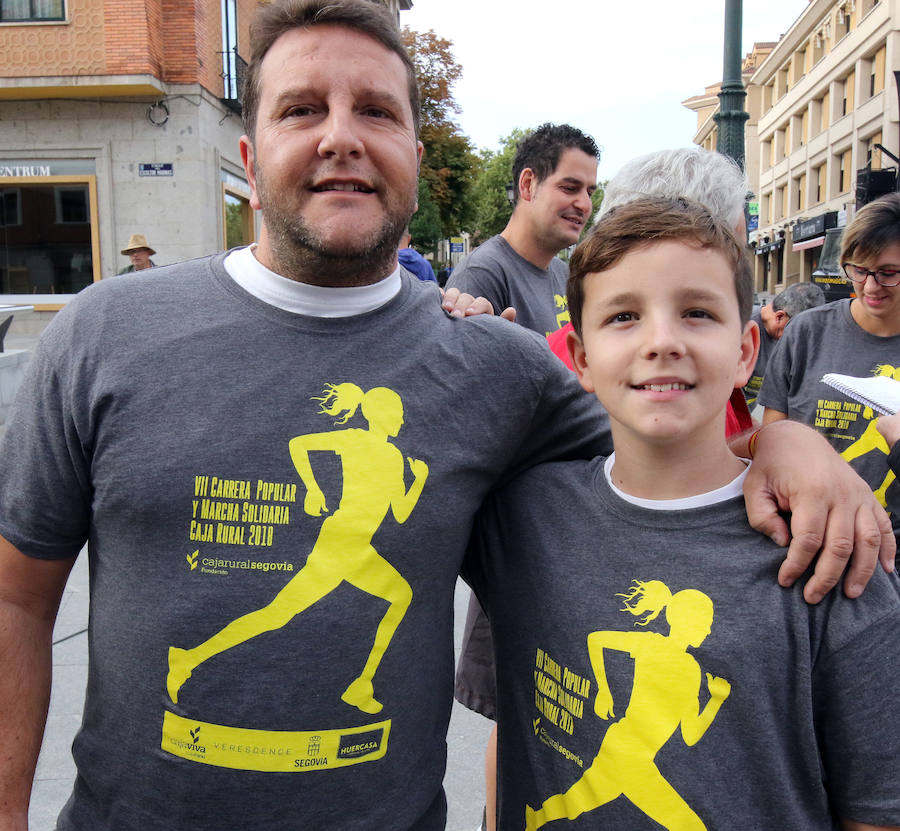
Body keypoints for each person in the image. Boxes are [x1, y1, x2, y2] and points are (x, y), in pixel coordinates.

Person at [0, 3, 892, 829]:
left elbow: (667, 443)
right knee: (278, 614)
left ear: (417, 162)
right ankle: (198, 664)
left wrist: (785, 437)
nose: (341, 136)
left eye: (377, 112)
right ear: (249, 155)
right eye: (301, 110)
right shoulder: (105, 333)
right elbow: (14, 598)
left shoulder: (499, 369)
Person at [463, 197, 900, 830]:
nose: (662, 342)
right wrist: (454, 322)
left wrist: (787, 439)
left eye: (697, 312)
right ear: (580, 358)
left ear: (746, 352)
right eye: (623, 316)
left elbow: (876, 811)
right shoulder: (522, 514)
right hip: (624, 754)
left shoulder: (830, 552)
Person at [761, 193, 900, 544]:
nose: (870, 286)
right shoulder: (806, 331)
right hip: (807, 535)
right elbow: (772, 441)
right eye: (859, 270)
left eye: (888, 274)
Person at [446, 123, 600, 335]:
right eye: (570, 188)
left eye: (589, 193)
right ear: (528, 185)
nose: (584, 204)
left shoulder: (564, 274)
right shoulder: (481, 275)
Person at [742, 282, 825, 409]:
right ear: (779, 317)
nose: (799, 340)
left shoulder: (782, 339)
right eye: (798, 331)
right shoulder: (740, 329)